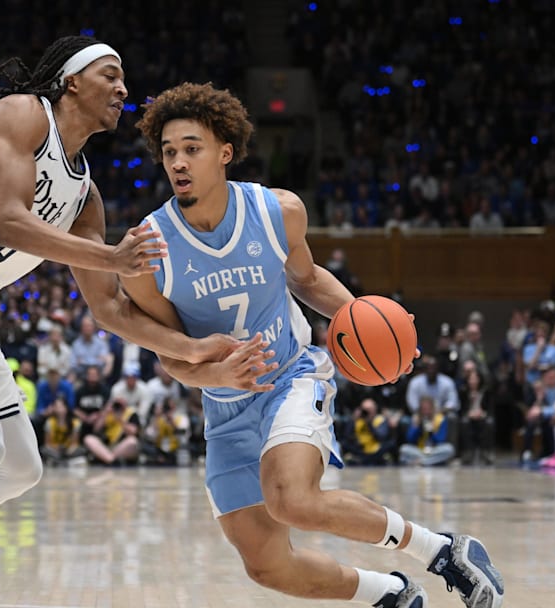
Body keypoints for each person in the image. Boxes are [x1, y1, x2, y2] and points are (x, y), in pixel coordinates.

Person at [0, 38, 266, 608]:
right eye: (110, 75)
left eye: (124, 78)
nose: (122, 88)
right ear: (70, 82)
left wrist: (192, 348)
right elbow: (9, 223)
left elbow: (110, 310)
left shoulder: (84, 196)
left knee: (19, 465)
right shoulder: (21, 115)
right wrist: (112, 256)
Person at [121, 82, 503, 608]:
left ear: (224, 152)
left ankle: (445, 552)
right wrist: (215, 376)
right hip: (225, 409)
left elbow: (306, 279)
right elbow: (170, 352)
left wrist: (373, 330)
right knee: (267, 566)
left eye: (192, 148)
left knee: (292, 500)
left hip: (293, 377)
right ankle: (389, 594)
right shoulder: (150, 249)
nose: (178, 163)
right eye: (169, 152)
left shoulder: (277, 211)